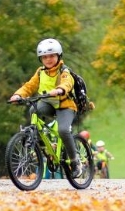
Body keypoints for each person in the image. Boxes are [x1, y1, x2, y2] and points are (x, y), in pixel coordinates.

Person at [9, 38, 82, 177]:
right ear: (40, 59)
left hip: (65, 105)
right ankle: (39, 142)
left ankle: (75, 162)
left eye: (52, 56)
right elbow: (29, 86)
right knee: (33, 110)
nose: (48, 59)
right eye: (44, 57)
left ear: (58, 56)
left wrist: (60, 89)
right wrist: (18, 95)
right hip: (48, 104)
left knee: (63, 130)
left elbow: (67, 83)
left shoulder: (64, 71)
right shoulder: (40, 72)